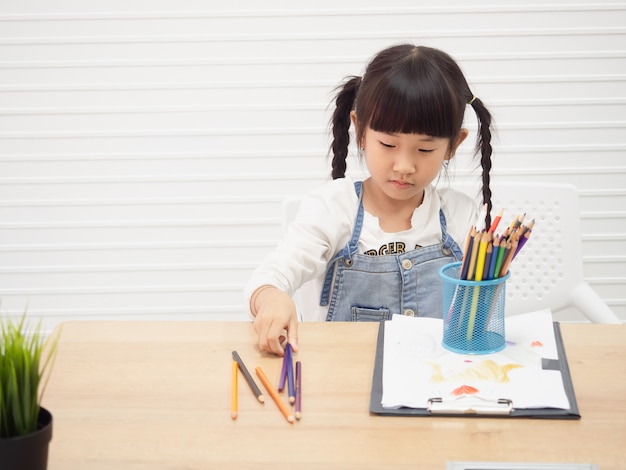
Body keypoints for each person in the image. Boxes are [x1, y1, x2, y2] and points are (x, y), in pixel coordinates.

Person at [245, 44, 494, 356]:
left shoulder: (461, 214)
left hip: (434, 384)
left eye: (425, 149)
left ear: (453, 146)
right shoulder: (333, 209)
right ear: (360, 131)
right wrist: (271, 297)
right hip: (342, 380)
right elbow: (272, 275)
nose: (404, 165)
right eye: (388, 144)